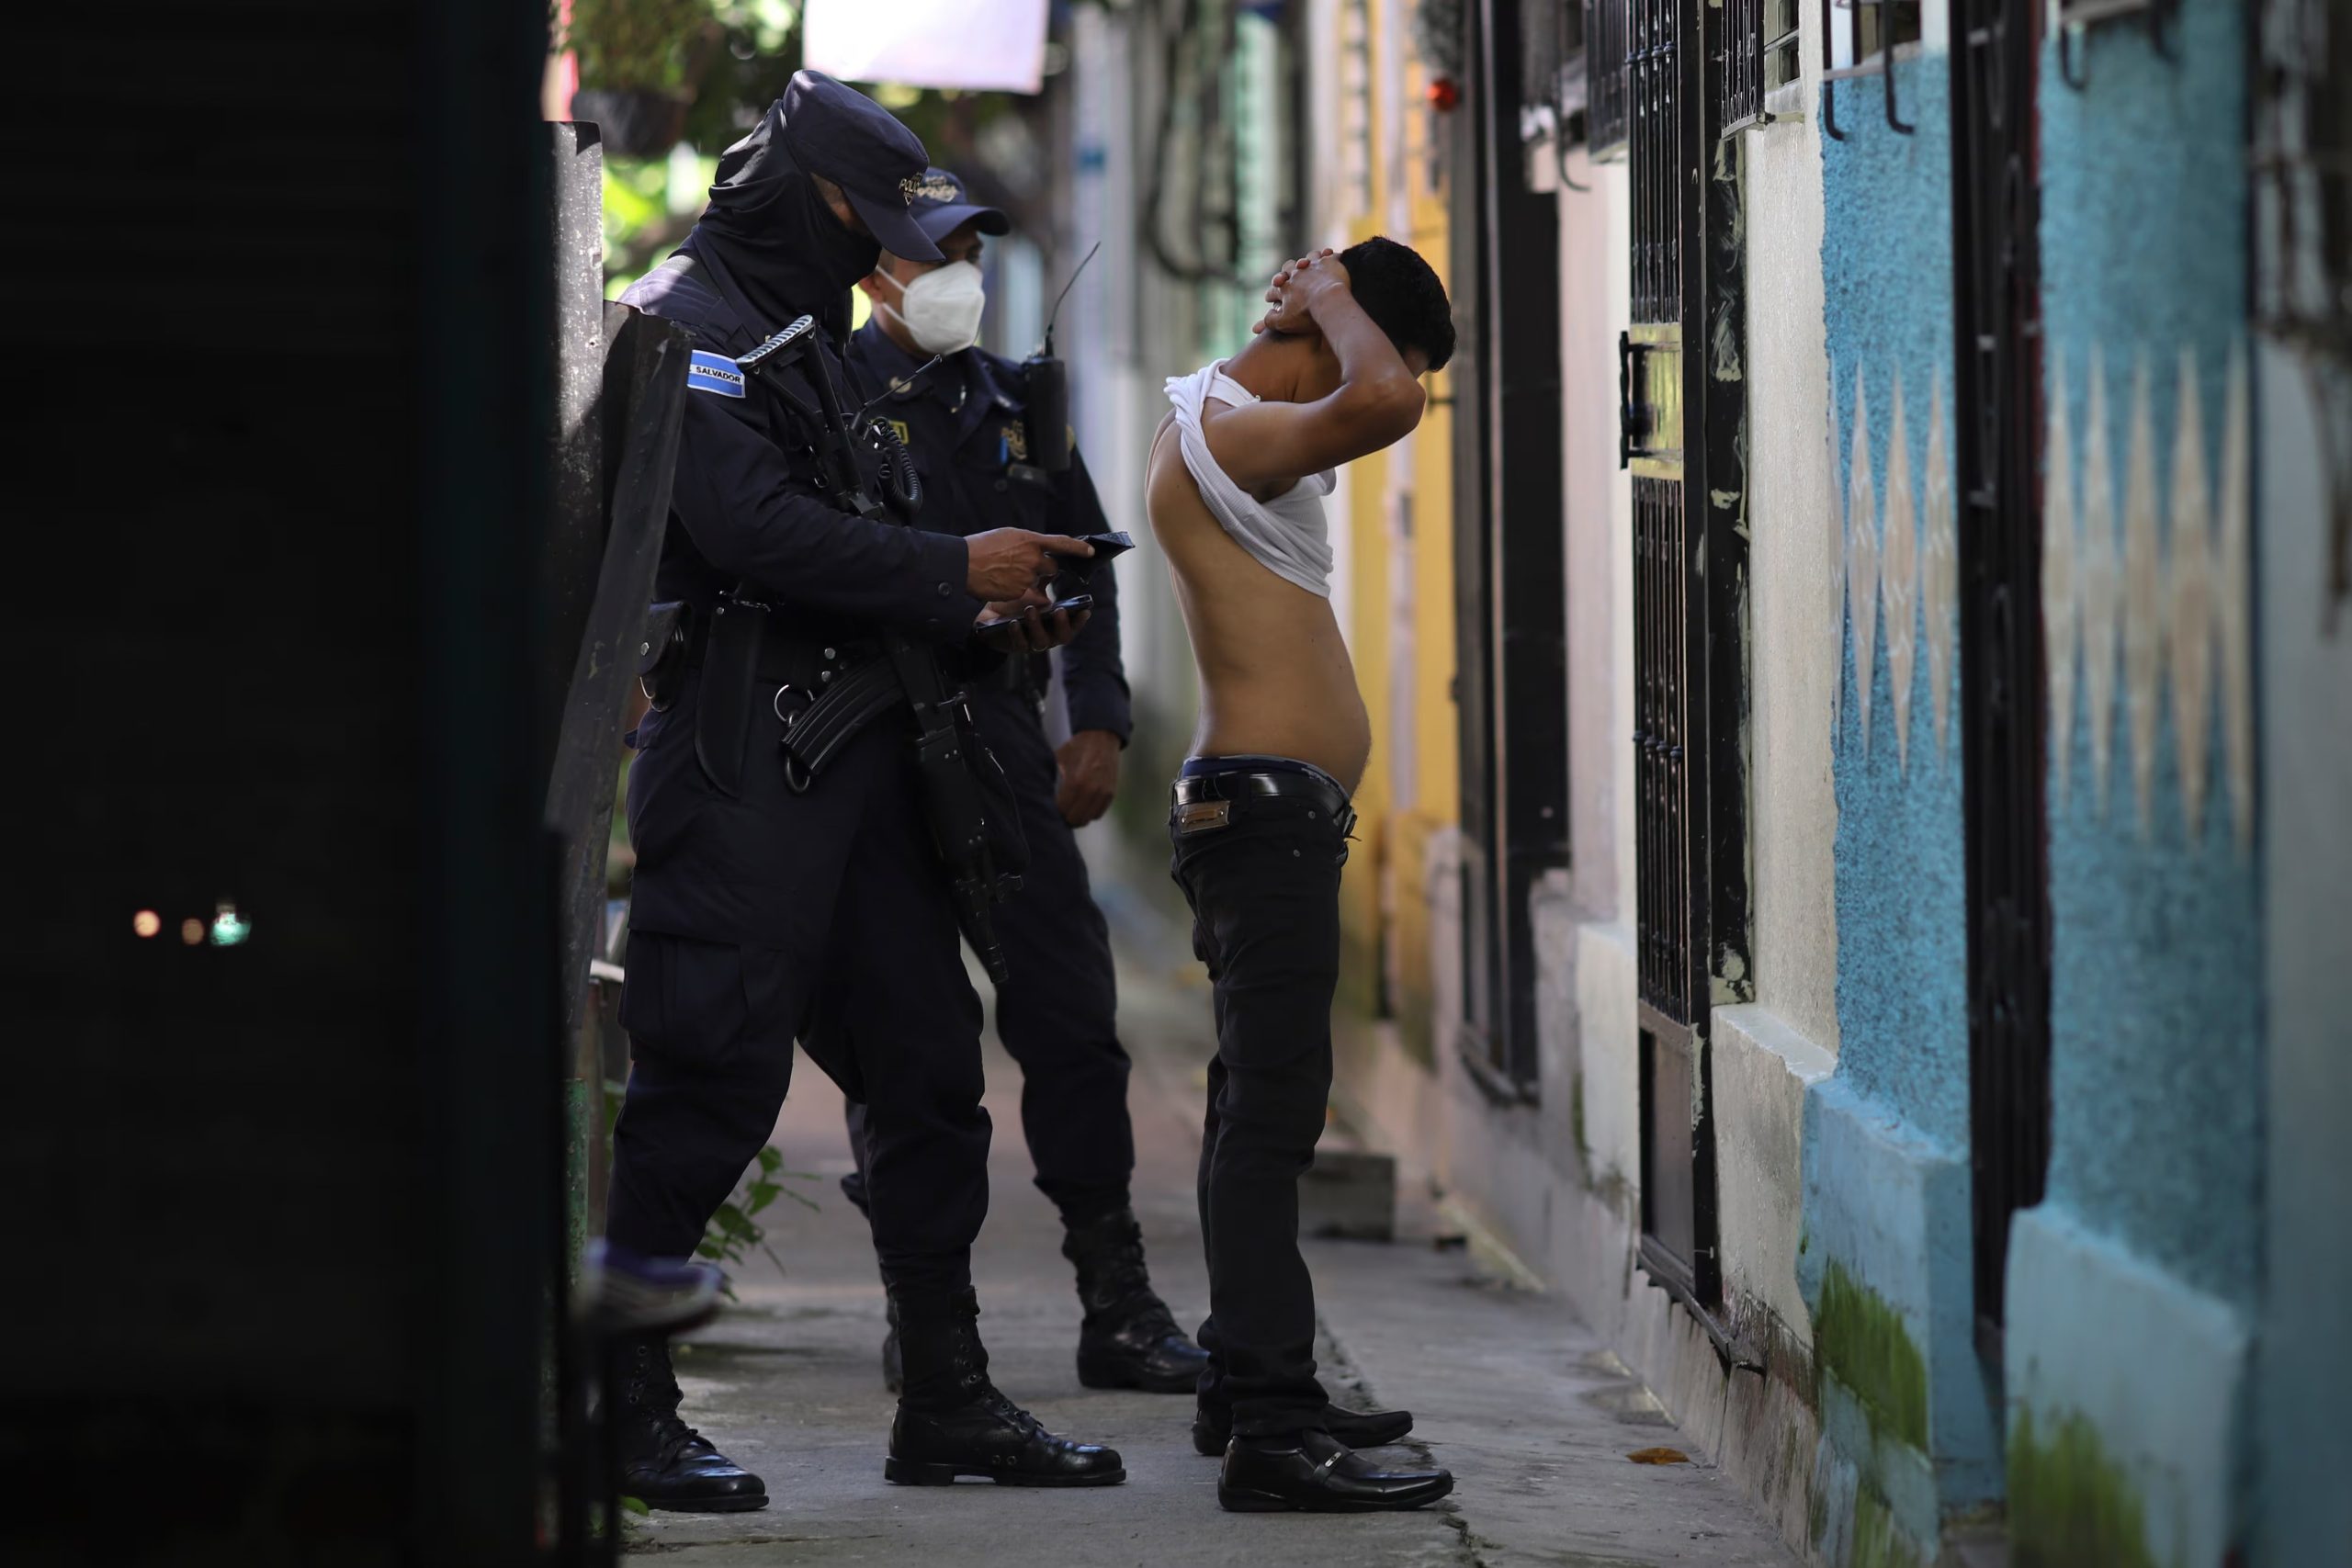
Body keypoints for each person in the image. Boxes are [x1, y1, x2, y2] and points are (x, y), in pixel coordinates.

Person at [606, 71, 1125, 1510]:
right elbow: (746, 525)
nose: (892, 254)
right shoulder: (687, 322)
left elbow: (864, 510)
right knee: (709, 1069)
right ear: (805, 198)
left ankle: (947, 1397)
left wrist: (995, 595)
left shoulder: (809, 340)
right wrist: (951, 572)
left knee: (929, 1071)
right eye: (876, 222)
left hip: (870, 754)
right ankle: (623, 1407)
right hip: (741, 755)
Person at [836, 168, 1209, 1400]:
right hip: (875, 757)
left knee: (1070, 1024)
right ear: (880, 268)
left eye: (973, 252)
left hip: (1001, 751)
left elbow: (1085, 570)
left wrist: (1094, 722)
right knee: (912, 1047)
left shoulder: (1019, 405)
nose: (963, 277)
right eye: (938, 253)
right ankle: (927, 1311)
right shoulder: (826, 396)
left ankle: (1118, 1296)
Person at [1143, 238, 1457, 1513]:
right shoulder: (1234, 428)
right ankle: (1273, 1427)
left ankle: (1247, 1382)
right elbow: (1388, 397)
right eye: (1379, 338)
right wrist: (1333, 298)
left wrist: (1332, 312)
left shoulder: (1231, 420)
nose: (1382, 371)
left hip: (1267, 812)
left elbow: (1377, 389)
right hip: (1263, 816)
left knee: (1251, 1111)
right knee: (1274, 1120)